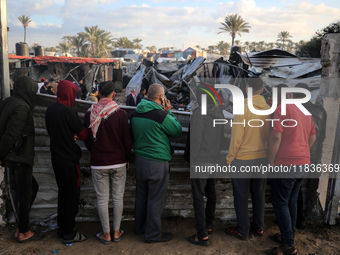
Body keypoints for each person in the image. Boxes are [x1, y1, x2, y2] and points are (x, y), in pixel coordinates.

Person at [130, 83, 182, 243]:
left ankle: (140, 228)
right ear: (161, 97)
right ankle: (152, 234)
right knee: (155, 199)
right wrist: (169, 112)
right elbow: (177, 131)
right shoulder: (161, 115)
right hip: (157, 162)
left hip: (140, 161)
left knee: (142, 196)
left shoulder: (135, 113)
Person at [268, 85, 316, 255]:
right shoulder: (304, 111)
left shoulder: (281, 109)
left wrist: (271, 162)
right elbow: (313, 135)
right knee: (291, 201)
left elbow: (275, 136)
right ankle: (288, 236)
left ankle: (288, 246)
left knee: (281, 202)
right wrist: (302, 152)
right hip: (304, 163)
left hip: (285, 164)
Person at [84, 81, 132, 245]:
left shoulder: (90, 113)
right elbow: (127, 141)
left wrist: (96, 152)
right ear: (113, 94)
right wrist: (127, 159)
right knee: (118, 198)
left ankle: (106, 234)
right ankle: (117, 232)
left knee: (102, 199)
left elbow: (88, 141)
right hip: (118, 162)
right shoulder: (120, 114)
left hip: (98, 163)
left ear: (98, 93)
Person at [225, 78, 271, 240]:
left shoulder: (242, 108)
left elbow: (236, 138)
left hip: (243, 159)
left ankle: (243, 230)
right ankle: (259, 227)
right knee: (259, 195)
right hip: (262, 158)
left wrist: (230, 159)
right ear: (262, 89)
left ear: (246, 88)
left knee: (241, 196)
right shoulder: (267, 109)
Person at [45, 80, 89, 244]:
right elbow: (84, 134)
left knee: (63, 194)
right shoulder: (68, 112)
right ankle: (69, 233)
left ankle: (61, 229)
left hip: (56, 159)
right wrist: (76, 133)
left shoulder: (50, 110)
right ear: (70, 94)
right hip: (70, 161)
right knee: (72, 197)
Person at [0, 76, 40, 243]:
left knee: (30, 188)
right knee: (25, 193)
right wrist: (1, 154)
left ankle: (21, 226)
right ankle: (23, 231)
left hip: (14, 156)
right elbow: (12, 134)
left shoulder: (9, 102)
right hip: (19, 157)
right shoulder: (22, 107)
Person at [187, 86, 224, 246]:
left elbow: (195, 140)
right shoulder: (219, 113)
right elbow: (222, 139)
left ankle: (201, 234)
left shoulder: (199, 114)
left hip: (200, 160)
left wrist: (192, 161)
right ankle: (208, 225)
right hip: (214, 159)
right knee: (211, 194)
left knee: (198, 197)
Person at [294, 83, 327, 228]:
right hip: (315, 155)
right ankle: (310, 215)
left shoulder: (296, 111)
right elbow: (322, 136)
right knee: (311, 187)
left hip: (299, 155)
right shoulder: (321, 111)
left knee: (295, 189)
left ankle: (297, 220)